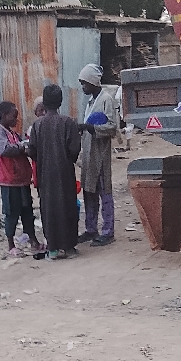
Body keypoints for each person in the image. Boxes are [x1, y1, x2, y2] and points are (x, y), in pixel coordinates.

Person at [28, 84, 82, 260]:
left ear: (44, 102)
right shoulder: (68, 123)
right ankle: (69, 248)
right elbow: (74, 149)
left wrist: (43, 159)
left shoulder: (37, 125)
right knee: (67, 207)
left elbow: (31, 150)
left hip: (45, 175)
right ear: (60, 102)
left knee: (48, 209)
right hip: (65, 173)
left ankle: (52, 249)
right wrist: (66, 159)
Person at [0, 101, 44, 256]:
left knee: (27, 211)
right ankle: (11, 245)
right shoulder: (0, 132)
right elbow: (4, 150)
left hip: (21, 180)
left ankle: (33, 241)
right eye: (13, 116)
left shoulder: (13, 134)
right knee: (12, 213)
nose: (16, 119)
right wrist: (22, 147)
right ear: (4, 115)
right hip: (9, 181)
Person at [76, 63, 118, 246]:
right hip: (88, 154)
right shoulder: (91, 102)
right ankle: (91, 228)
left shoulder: (106, 100)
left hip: (100, 154)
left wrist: (90, 127)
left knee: (104, 191)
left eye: (84, 83)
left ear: (93, 82)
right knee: (89, 191)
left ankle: (108, 231)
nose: (83, 87)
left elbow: (112, 127)